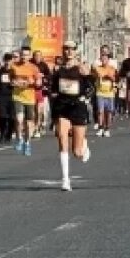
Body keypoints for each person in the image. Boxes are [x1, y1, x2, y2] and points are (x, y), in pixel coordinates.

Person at [51, 41, 93, 191]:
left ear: (76, 51)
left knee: (77, 152)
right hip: (62, 108)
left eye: (71, 49)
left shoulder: (82, 68)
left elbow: (91, 86)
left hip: (78, 108)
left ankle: (84, 144)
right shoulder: (58, 70)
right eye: (65, 49)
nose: (68, 51)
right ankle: (65, 179)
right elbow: (53, 88)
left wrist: (86, 97)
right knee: (62, 139)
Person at [11, 47, 41, 155]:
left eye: (26, 55)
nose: (24, 57)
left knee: (28, 124)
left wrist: (33, 82)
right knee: (19, 120)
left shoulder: (34, 68)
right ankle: (19, 139)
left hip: (29, 98)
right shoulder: (14, 66)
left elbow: (38, 82)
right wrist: (14, 83)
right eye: (23, 55)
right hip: (18, 97)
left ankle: (27, 143)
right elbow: (10, 80)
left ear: (29, 56)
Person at [93, 46, 118, 137]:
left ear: (108, 59)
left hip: (110, 93)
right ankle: (100, 128)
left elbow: (113, 77)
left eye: (105, 58)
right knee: (100, 111)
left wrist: (108, 76)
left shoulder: (112, 68)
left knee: (109, 112)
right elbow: (97, 74)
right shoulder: (98, 68)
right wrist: (105, 75)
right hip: (100, 92)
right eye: (102, 58)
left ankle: (107, 128)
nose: (104, 60)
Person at [0, 53, 18, 144]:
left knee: (12, 117)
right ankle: (2, 133)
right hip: (2, 95)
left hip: (13, 95)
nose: (8, 62)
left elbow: (19, 81)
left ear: (12, 61)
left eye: (10, 60)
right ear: (4, 60)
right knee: (2, 116)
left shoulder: (15, 71)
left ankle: (9, 133)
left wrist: (15, 83)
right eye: (6, 60)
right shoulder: (0, 71)